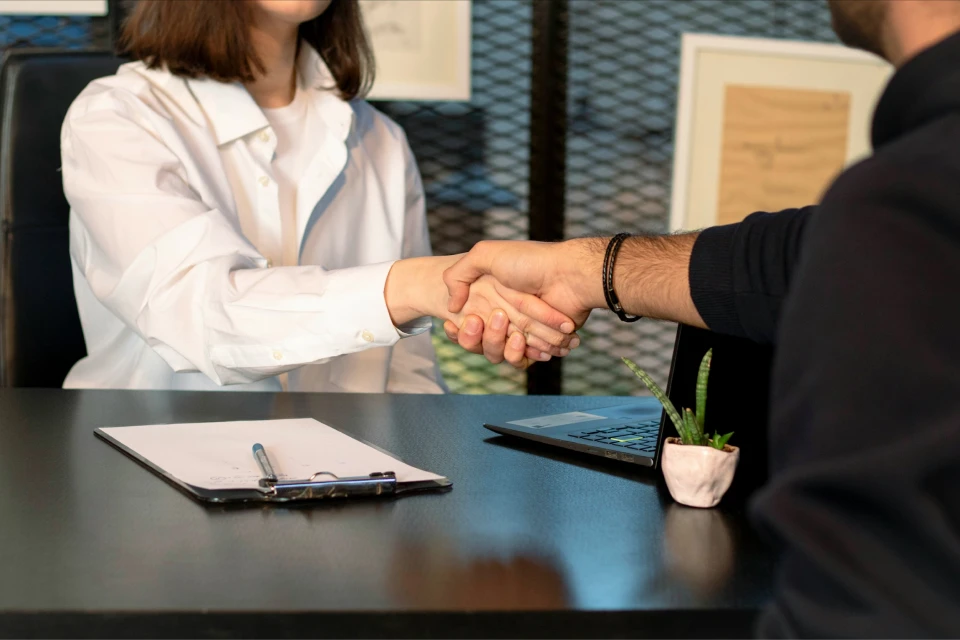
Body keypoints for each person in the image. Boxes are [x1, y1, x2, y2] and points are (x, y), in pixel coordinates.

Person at [443, 0, 960, 636]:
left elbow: (864, 594)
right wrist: (583, 269)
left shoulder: (910, 194)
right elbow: (796, 259)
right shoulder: (916, 190)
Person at [61, 0, 575, 393]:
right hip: (151, 483)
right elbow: (203, 317)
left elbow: (410, 376)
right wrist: (414, 285)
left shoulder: (381, 140)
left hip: (348, 488)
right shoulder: (115, 118)